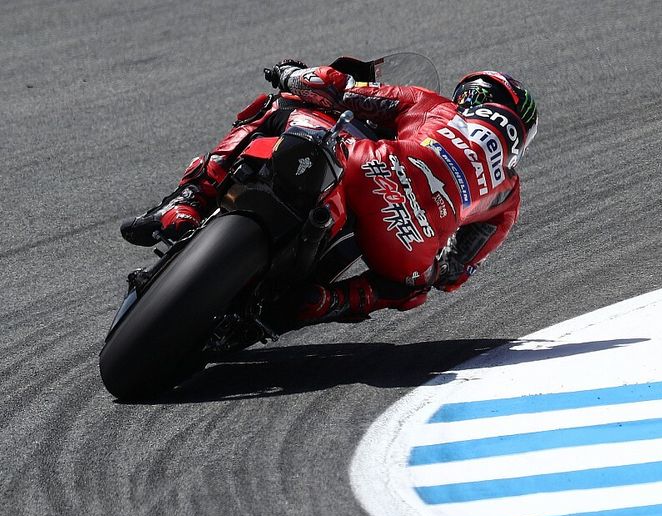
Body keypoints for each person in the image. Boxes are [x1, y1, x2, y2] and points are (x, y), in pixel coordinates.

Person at [120, 58, 538, 327]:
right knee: (412, 286)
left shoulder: (435, 105)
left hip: (370, 167)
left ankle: (186, 203)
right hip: (410, 245)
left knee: (283, 108)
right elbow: (456, 274)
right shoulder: (508, 196)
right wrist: (432, 262)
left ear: (473, 97)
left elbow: (339, 90)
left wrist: (292, 74)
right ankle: (329, 301)